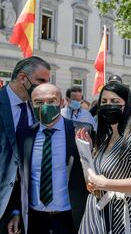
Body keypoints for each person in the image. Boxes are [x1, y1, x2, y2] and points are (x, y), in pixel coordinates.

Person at [9, 83, 88, 234]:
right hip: (34, 218)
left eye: (51, 101)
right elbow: (18, 178)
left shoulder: (81, 131)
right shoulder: (24, 135)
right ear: (31, 104)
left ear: (62, 102)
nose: (45, 106)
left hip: (71, 217)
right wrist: (16, 211)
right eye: (38, 102)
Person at [79, 81, 131, 234]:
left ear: (126, 105)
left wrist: (105, 183)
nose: (108, 105)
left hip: (122, 212)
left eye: (115, 101)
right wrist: (86, 151)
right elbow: (96, 176)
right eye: (104, 102)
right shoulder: (105, 137)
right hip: (97, 211)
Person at [0, 56, 50, 233]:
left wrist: (16, 209)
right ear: (23, 78)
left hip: (17, 208)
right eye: (41, 81)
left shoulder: (36, 111)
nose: (44, 87)